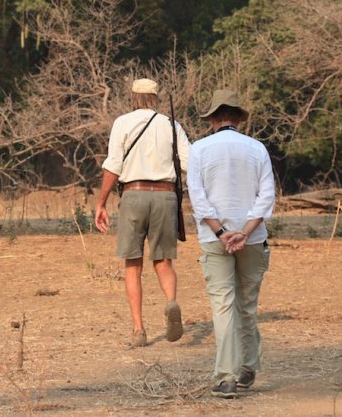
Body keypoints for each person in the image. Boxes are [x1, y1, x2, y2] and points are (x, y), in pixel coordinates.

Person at [187, 89, 275, 399]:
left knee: (222, 305)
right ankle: (247, 368)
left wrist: (222, 231)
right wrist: (246, 231)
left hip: (215, 238)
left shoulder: (199, 149)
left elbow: (198, 197)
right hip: (252, 238)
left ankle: (225, 377)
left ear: (212, 118)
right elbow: (266, 196)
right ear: (238, 117)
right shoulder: (257, 148)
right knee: (247, 304)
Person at [94, 78, 190, 348]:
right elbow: (190, 162)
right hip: (165, 196)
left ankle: (138, 330)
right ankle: (171, 302)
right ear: (156, 98)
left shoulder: (123, 123)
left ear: (133, 98)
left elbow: (113, 165)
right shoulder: (172, 125)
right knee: (164, 261)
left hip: (134, 194)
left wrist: (101, 202)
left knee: (133, 264)